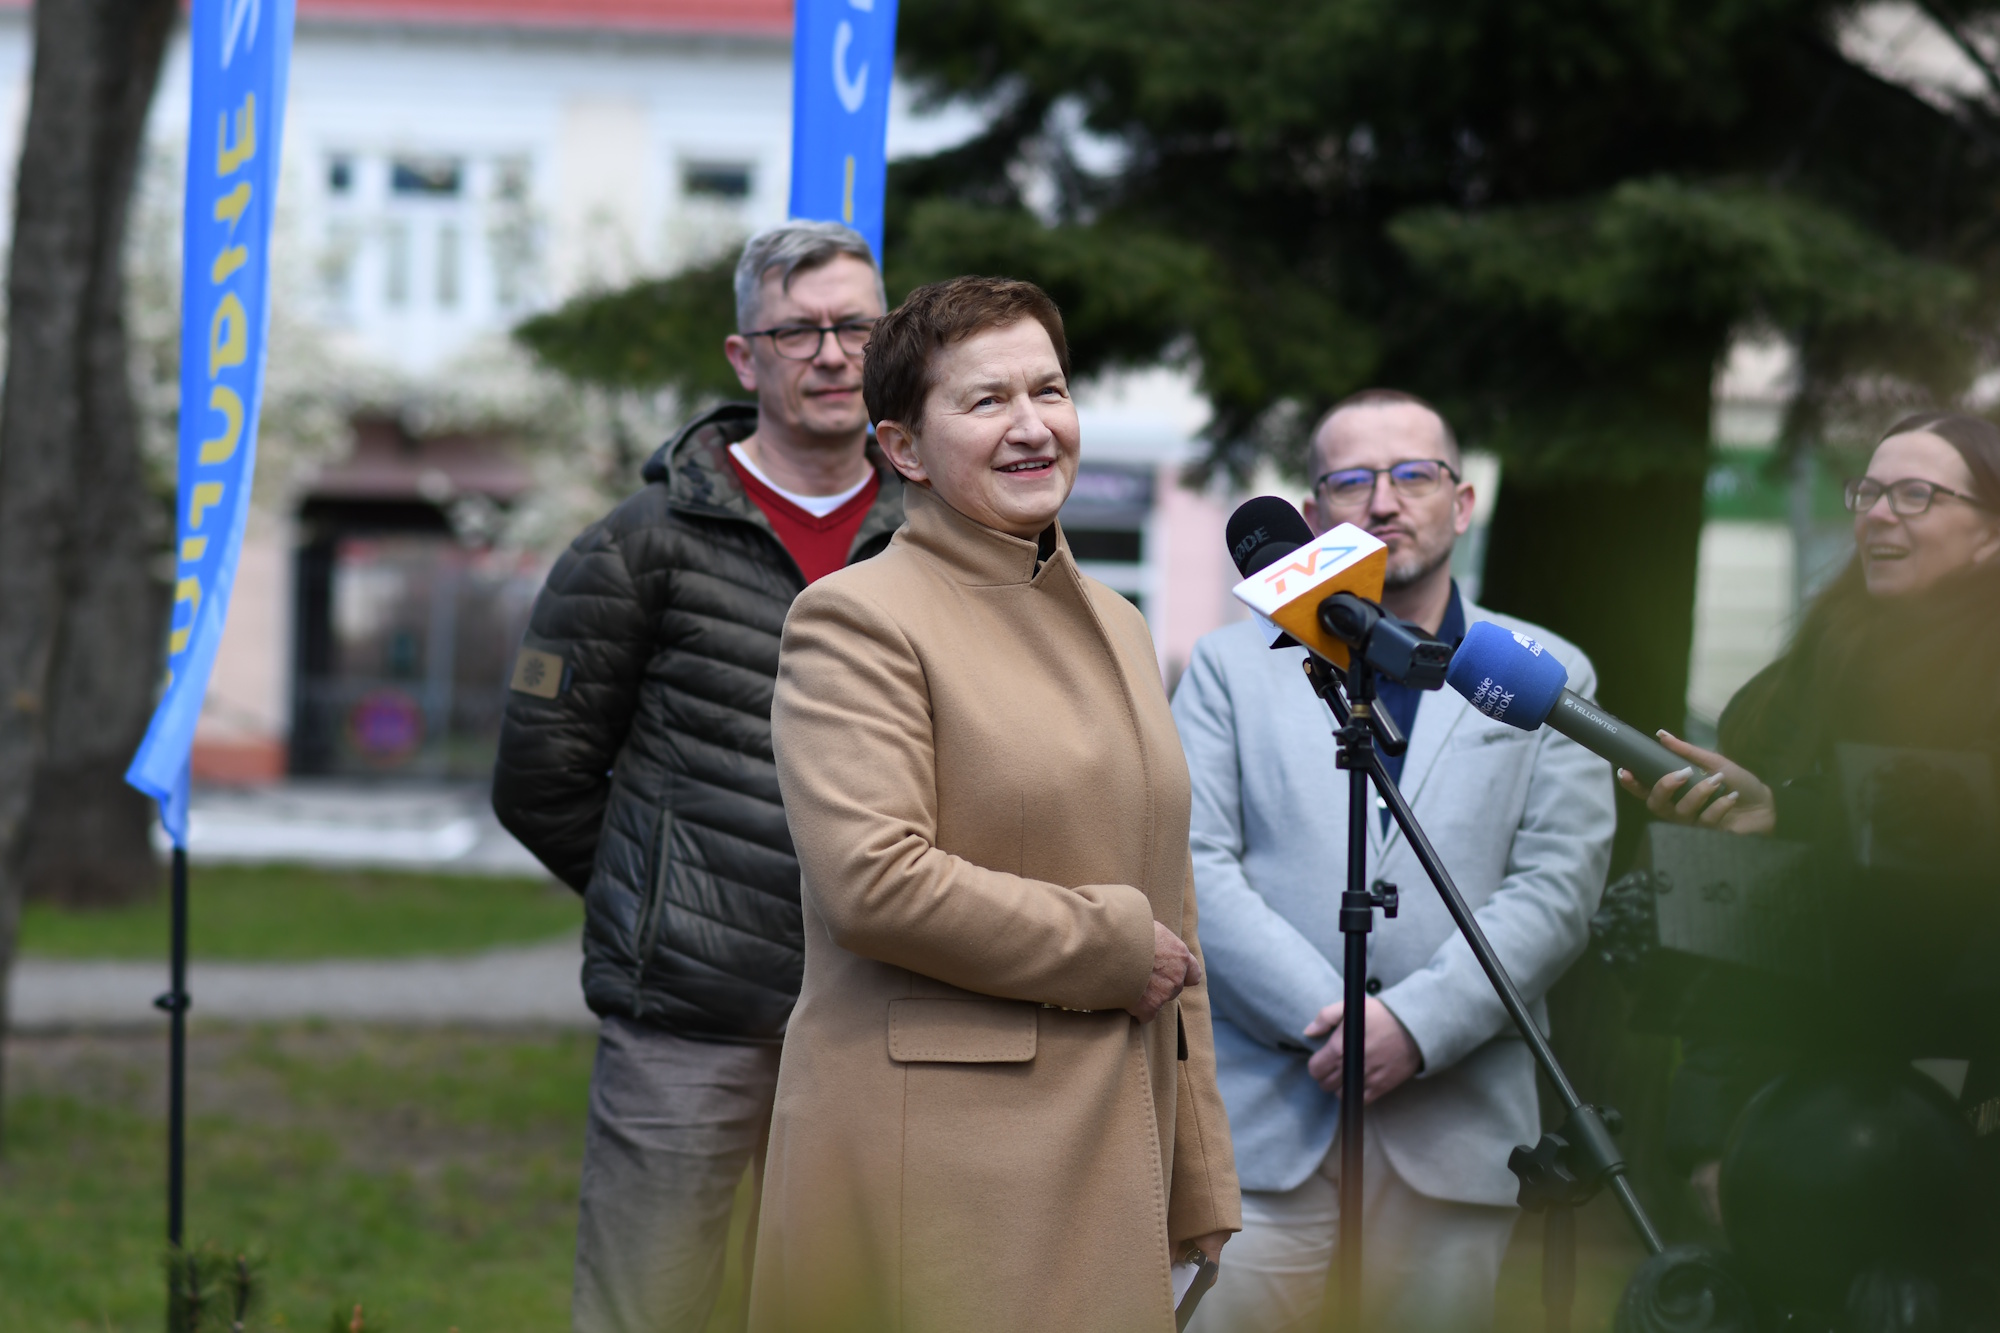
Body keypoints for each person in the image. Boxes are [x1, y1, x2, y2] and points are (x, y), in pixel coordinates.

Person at [749, 275, 1240, 1333]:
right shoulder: (854, 618)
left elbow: (1174, 904)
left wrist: (1199, 1170)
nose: (1032, 426)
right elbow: (873, 882)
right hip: (941, 1160)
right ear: (904, 448)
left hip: (1116, 1140)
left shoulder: (1119, 621)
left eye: (1049, 390)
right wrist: (1110, 946)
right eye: (986, 400)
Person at [490, 221, 903, 1333]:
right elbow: (540, 777)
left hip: (883, 1016)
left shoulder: (939, 535)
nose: (831, 354)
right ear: (743, 356)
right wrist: (671, 907)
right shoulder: (639, 544)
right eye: (797, 330)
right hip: (688, 1025)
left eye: (855, 326)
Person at [1173, 389, 1616, 1332]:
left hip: (1456, 1132)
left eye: (1415, 473)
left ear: (1463, 501)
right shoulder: (1225, 666)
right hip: (1263, 1131)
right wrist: (1337, 1024)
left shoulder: (1549, 672)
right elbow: (1193, 863)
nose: (1384, 500)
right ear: (1312, 512)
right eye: (1352, 480)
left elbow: (1558, 886)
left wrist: (1415, 1025)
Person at [1619, 412, 2000, 1229]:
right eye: (1869, 491)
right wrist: (1711, 1134)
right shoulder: (1790, 692)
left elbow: (1967, 817)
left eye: (1917, 494)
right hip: (1794, 1126)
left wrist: (1788, 812)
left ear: (1991, 534)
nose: (1879, 514)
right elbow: (1738, 934)